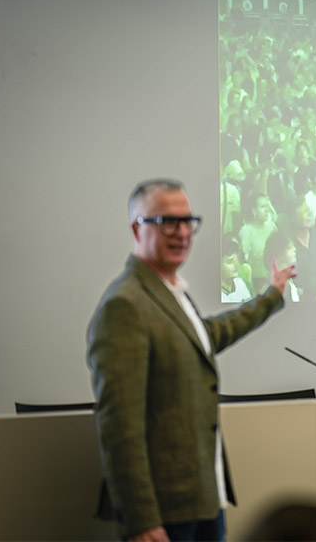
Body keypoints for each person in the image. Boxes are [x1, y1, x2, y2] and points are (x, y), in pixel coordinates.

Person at [87, 179, 296, 541]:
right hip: (164, 514)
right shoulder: (125, 304)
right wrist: (141, 519)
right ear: (137, 228)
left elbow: (209, 335)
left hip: (203, 499)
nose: (182, 232)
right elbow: (120, 426)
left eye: (187, 221)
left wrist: (271, 296)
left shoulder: (169, 292)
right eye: (168, 222)